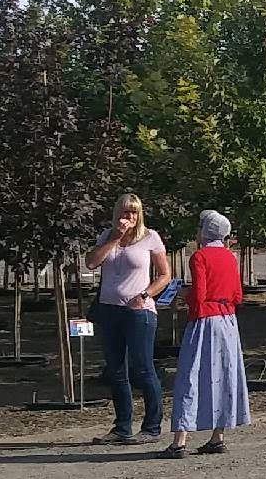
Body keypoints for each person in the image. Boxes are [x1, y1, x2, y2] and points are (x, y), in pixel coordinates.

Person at [160, 210, 250, 458]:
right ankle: (217, 435)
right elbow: (238, 295)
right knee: (225, 374)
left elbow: (198, 296)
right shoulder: (230, 258)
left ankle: (180, 441)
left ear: (204, 231)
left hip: (205, 321)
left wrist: (182, 294)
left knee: (191, 375)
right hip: (228, 321)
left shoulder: (199, 257)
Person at [84, 193, 169, 447]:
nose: (128, 217)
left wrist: (145, 294)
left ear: (139, 215)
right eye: (124, 212)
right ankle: (122, 426)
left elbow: (164, 275)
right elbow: (91, 263)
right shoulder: (107, 236)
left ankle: (152, 426)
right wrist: (114, 238)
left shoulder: (150, 238)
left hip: (138, 312)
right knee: (116, 370)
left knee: (143, 368)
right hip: (109, 310)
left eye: (132, 212)